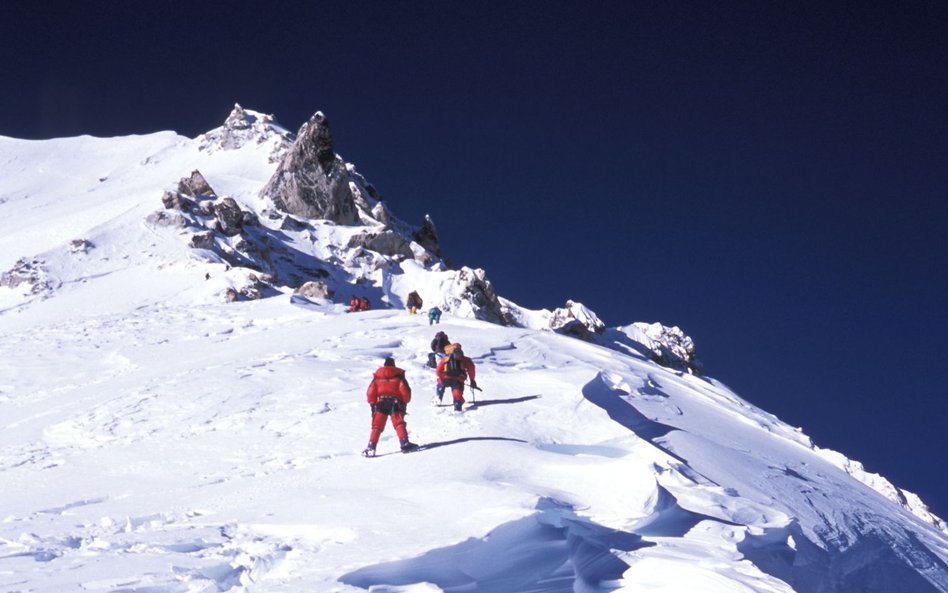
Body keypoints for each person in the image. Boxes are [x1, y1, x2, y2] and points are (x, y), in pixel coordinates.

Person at [364, 357, 417, 456]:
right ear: (394, 366)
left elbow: (370, 392)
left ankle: (371, 447)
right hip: (395, 404)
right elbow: (405, 392)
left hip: (381, 403)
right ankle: (404, 443)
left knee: (377, 426)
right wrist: (404, 402)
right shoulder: (398, 377)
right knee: (399, 424)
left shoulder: (377, 378)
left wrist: (372, 404)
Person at [436, 343, 478, 411]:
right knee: (457, 392)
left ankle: (439, 395)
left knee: (440, 383)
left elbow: (438, 371)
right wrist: (472, 380)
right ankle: (457, 403)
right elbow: (471, 369)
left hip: (445, 378)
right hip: (458, 380)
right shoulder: (465, 359)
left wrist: (441, 377)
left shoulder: (445, 359)